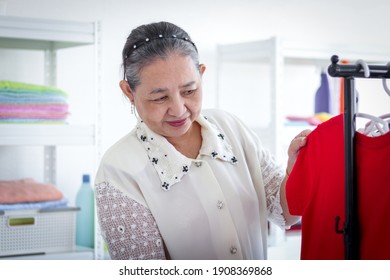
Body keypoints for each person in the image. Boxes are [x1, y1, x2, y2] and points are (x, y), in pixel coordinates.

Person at [94, 21, 309, 260]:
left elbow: (287, 215)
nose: (178, 110)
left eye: (189, 91)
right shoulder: (119, 170)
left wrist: (296, 168)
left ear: (202, 75)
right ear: (128, 92)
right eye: (160, 97)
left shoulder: (231, 127)